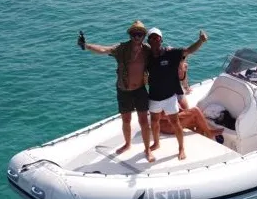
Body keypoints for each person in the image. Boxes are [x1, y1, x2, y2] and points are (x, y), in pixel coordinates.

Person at [78, 21, 155, 161]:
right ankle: (127, 144)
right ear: (130, 35)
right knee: (126, 120)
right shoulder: (121, 48)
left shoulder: (147, 50)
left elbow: (161, 55)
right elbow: (103, 50)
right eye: (134, 34)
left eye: (140, 34)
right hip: (123, 90)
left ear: (144, 35)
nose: (137, 37)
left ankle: (147, 149)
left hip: (140, 90)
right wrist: (86, 45)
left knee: (144, 121)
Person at [146, 27, 209, 160]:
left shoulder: (171, 53)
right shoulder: (147, 56)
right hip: (154, 97)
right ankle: (156, 143)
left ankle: (181, 148)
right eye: (151, 38)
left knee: (175, 123)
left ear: (161, 40)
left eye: (157, 37)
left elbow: (188, 50)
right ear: (149, 41)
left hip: (169, 97)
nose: (154, 40)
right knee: (154, 122)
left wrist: (200, 41)